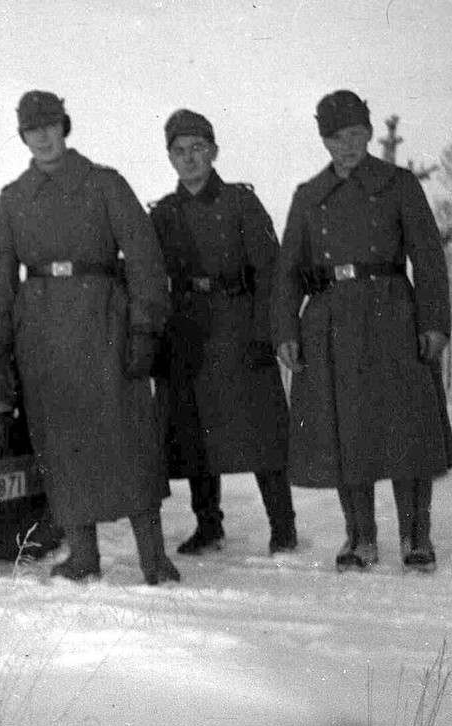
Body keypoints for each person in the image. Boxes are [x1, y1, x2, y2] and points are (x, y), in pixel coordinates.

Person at [0, 90, 178, 585]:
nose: (43, 136)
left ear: (64, 127)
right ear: (23, 136)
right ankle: (83, 557)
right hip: (41, 333)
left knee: (126, 437)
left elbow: (144, 256)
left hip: (104, 322)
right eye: (32, 129)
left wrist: (144, 326)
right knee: (60, 440)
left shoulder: (104, 184)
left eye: (49, 126)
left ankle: (154, 557)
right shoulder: (13, 199)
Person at [273, 90, 452, 573]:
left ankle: (416, 536)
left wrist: (434, 321)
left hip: (393, 314)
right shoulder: (308, 196)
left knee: (407, 430)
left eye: (355, 134)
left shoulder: (398, 185)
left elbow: (429, 256)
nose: (346, 145)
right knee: (344, 432)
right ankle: (360, 538)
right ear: (323, 139)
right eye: (335, 137)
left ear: (369, 133)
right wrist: (285, 330)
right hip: (330, 323)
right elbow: (288, 270)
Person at [149, 109, 298, 556]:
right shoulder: (163, 213)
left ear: (214, 151)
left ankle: (283, 527)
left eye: (198, 148)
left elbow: (269, 271)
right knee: (196, 432)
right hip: (188, 330)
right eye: (180, 150)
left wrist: (263, 333)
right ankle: (209, 526)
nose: (189, 158)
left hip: (239, 324)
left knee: (261, 432)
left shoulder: (240, 203)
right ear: (169, 156)